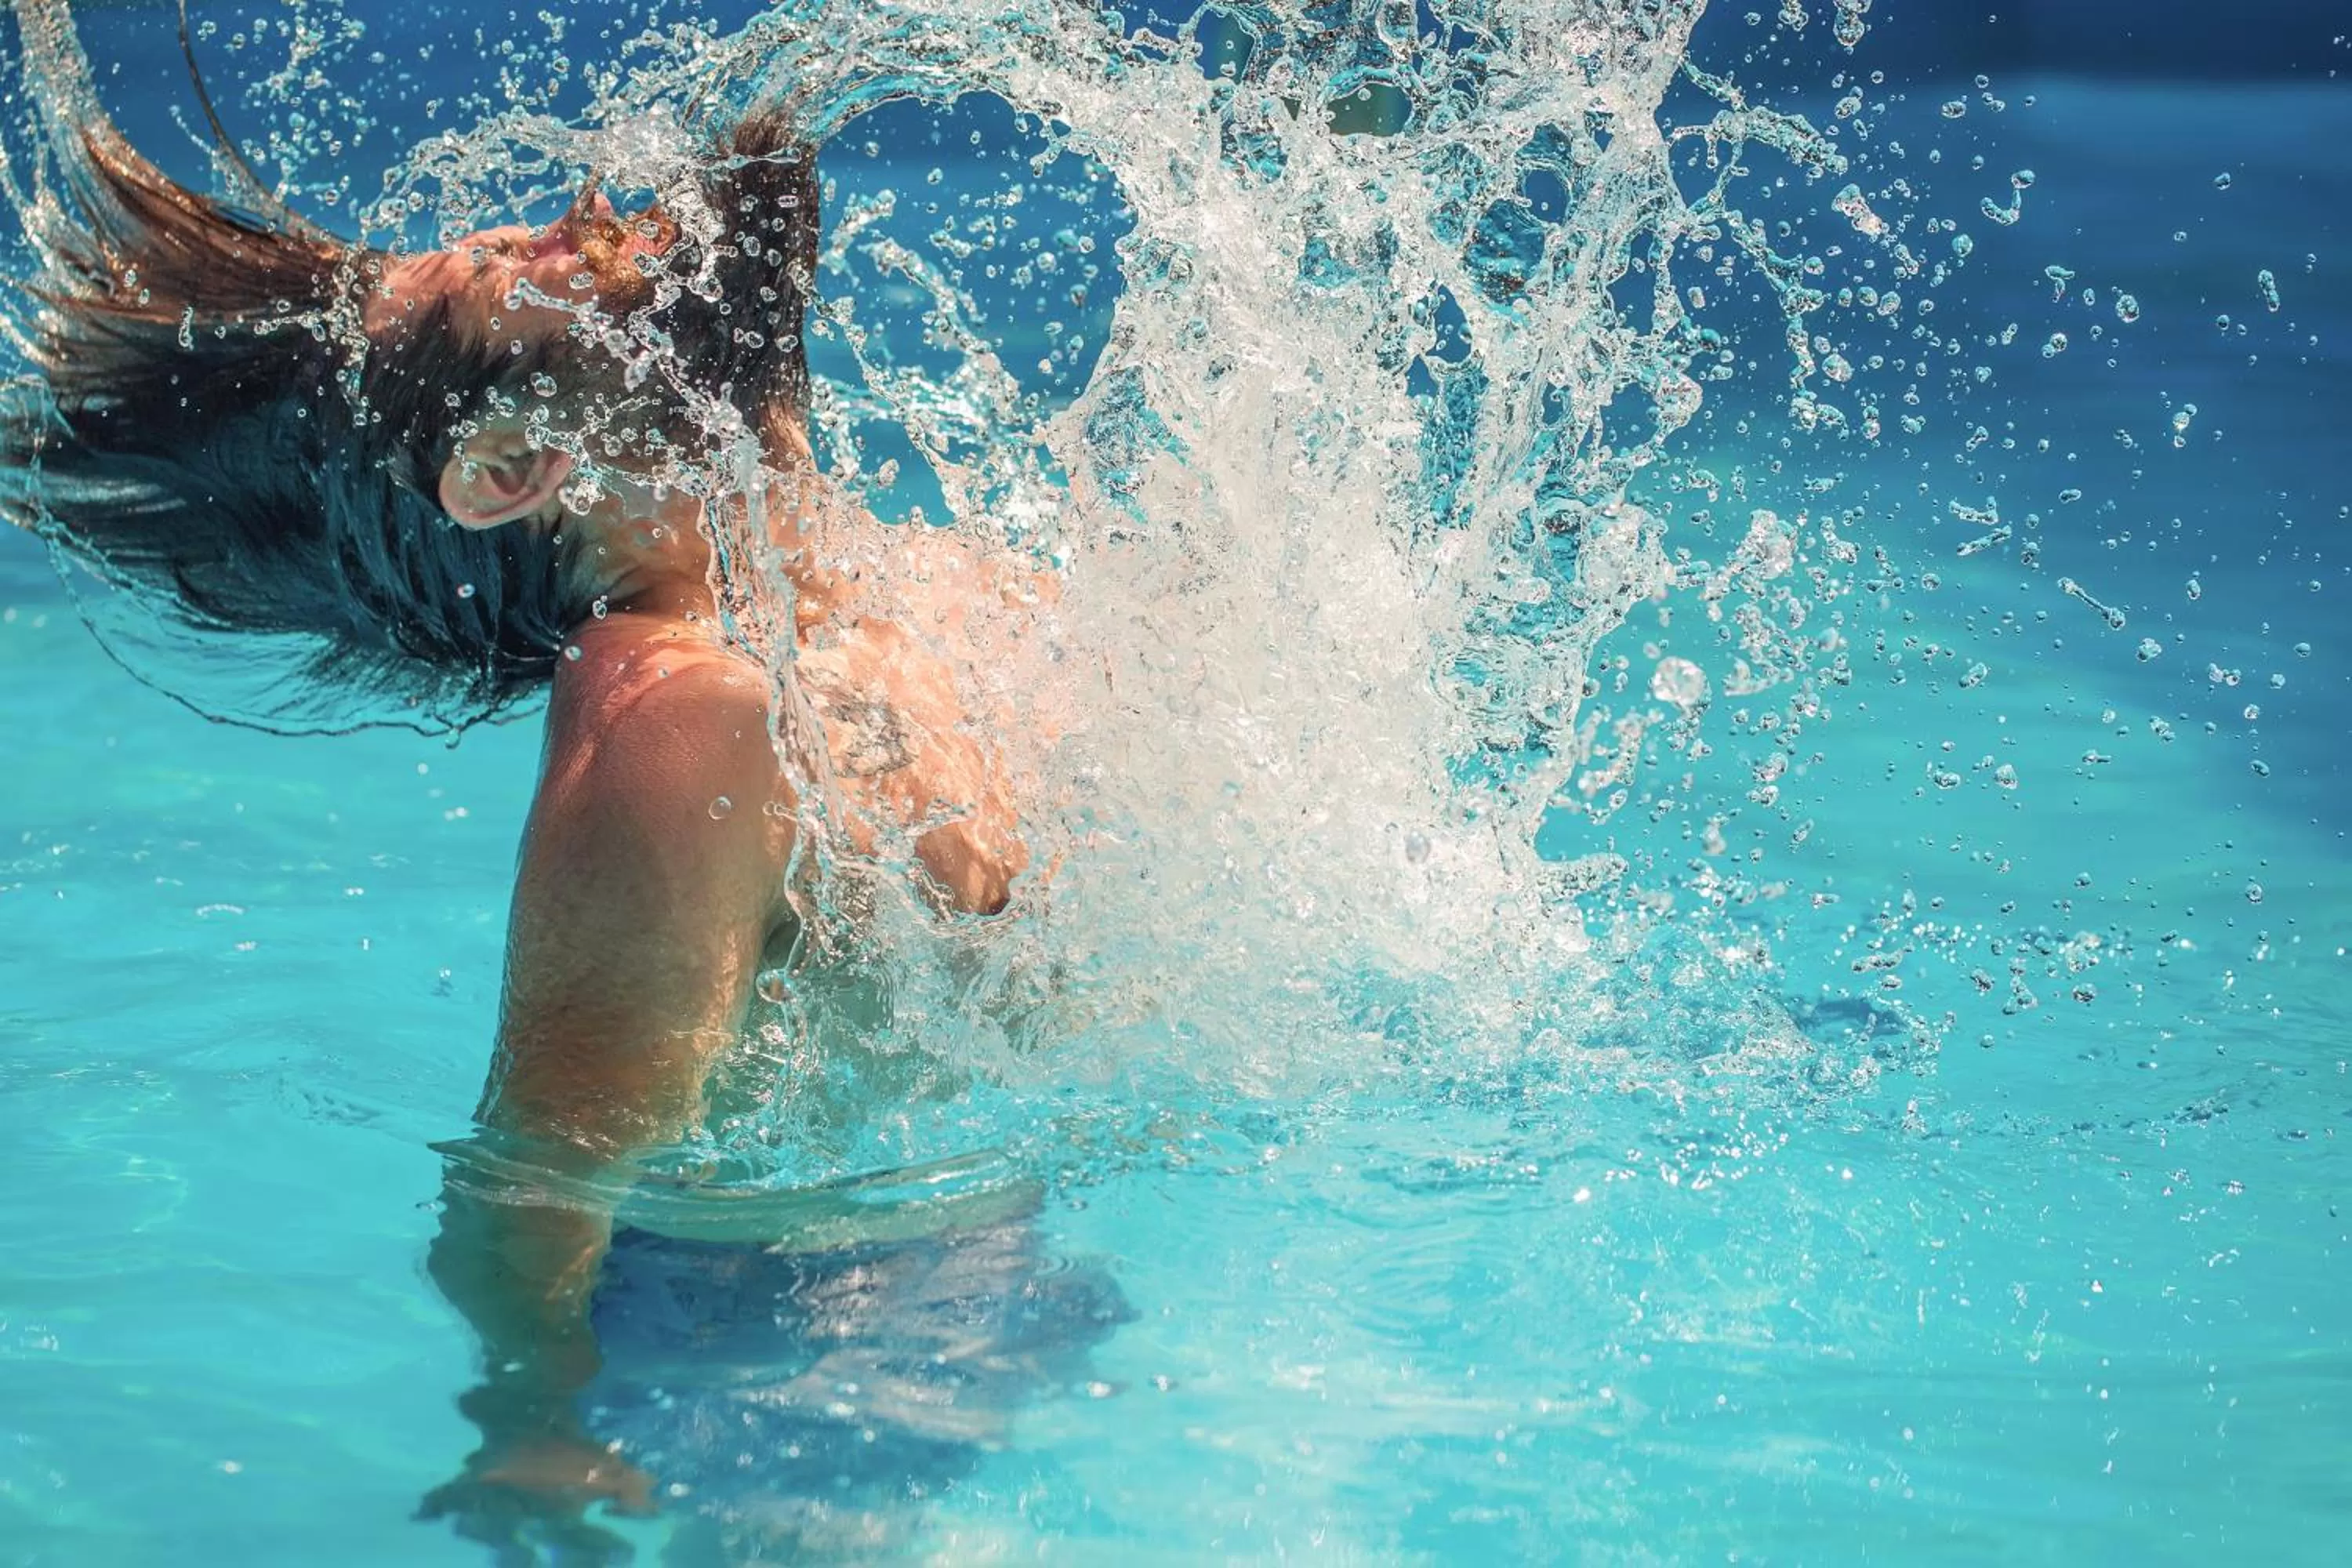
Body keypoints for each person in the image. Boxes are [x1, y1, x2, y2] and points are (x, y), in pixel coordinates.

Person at [0, 11, 1078, 1555]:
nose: (571, 219)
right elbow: (534, 1181)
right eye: (515, 271)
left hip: (959, 1271)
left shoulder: (871, 578)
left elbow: (765, 196)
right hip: (757, 1354)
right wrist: (534, 1434)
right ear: (514, 469)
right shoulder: (673, 721)